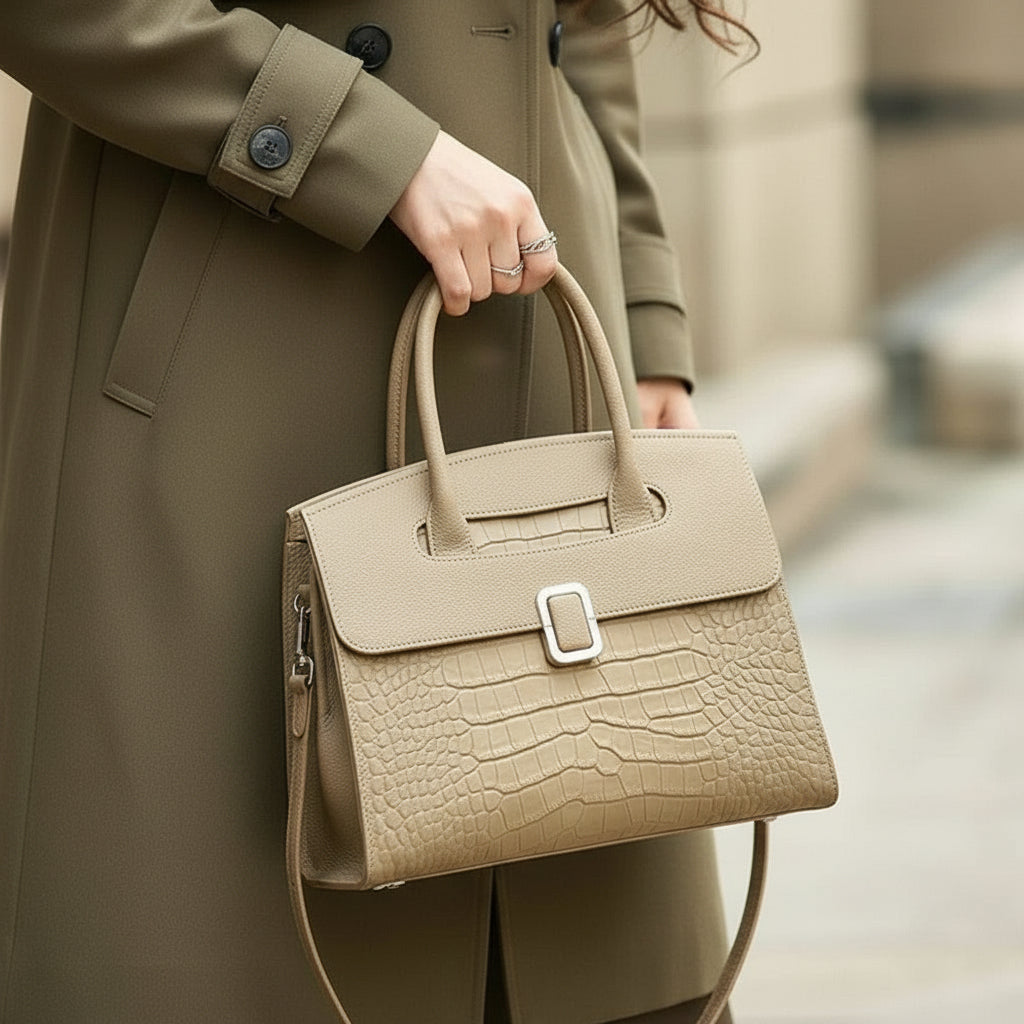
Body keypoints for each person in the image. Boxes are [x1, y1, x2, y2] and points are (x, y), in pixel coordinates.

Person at [0, 2, 752, 1021]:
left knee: (586, 923)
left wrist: (645, 317)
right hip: (234, 368)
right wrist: (369, 148)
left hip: (540, 324)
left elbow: (585, 27)